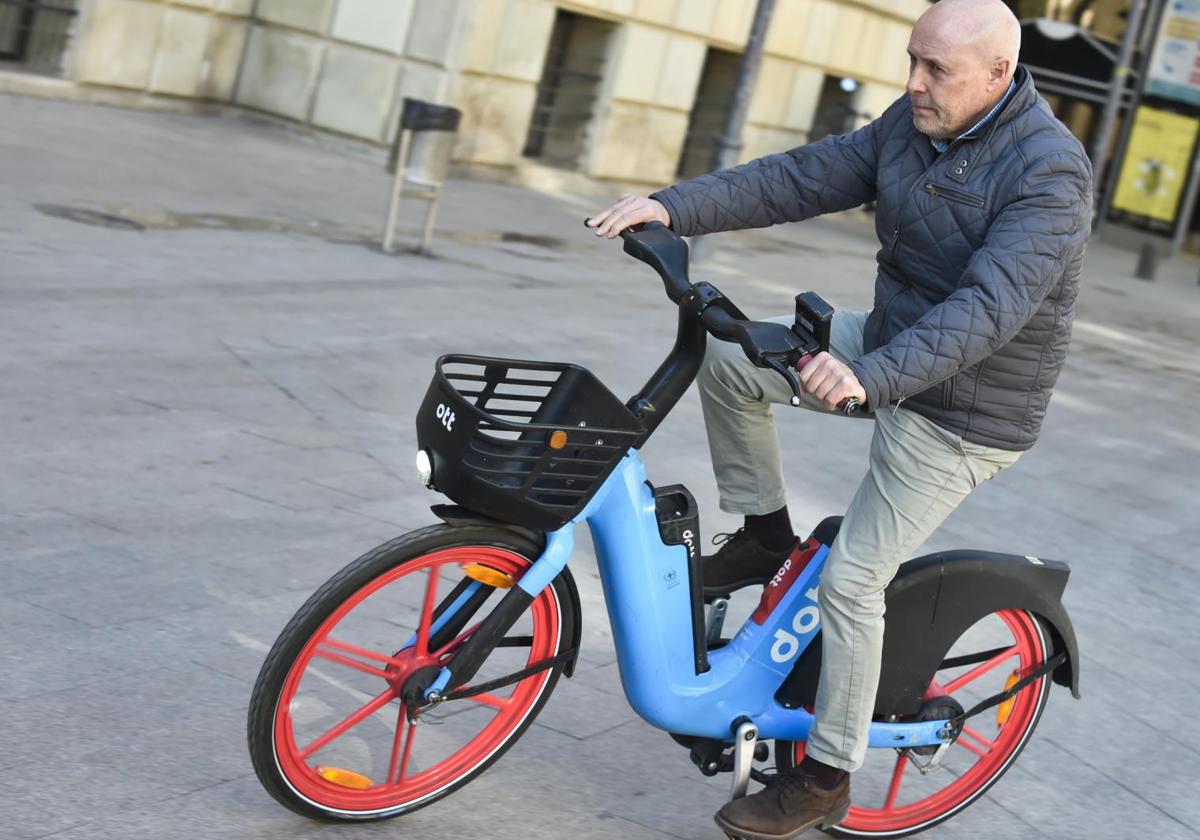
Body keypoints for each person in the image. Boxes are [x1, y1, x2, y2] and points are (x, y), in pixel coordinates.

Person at [586, 0, 1092, 837]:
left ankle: (825, 775)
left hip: (968, 408)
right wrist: (674, 207)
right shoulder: (914, 121)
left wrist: (867, 375)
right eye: (912, 60)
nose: (913, 83)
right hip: (889, 348)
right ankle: (762, 534)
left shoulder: (1050, 173)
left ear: (1000, 74)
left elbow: (987, 310)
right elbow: (803, 176)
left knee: (852, 580)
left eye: (937, 71)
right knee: (729, 357)